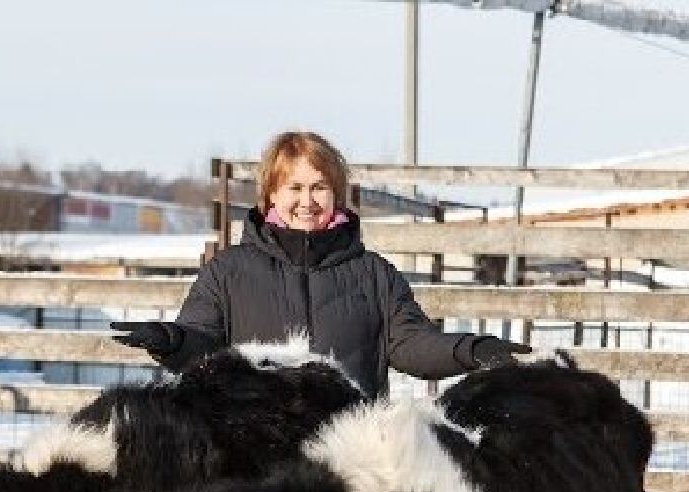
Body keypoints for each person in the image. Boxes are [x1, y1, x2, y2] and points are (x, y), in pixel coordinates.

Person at [110, 130, 528, 399]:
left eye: (319, 187)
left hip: (349, 453)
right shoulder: (228, 272)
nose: (307, 201)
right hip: (254, 453)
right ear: (271, 195)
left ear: (336, 195)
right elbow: (202, 343)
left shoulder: (373, 274)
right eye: (294, 187)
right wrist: (172, 341)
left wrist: (470, 350)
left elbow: (411, 345)